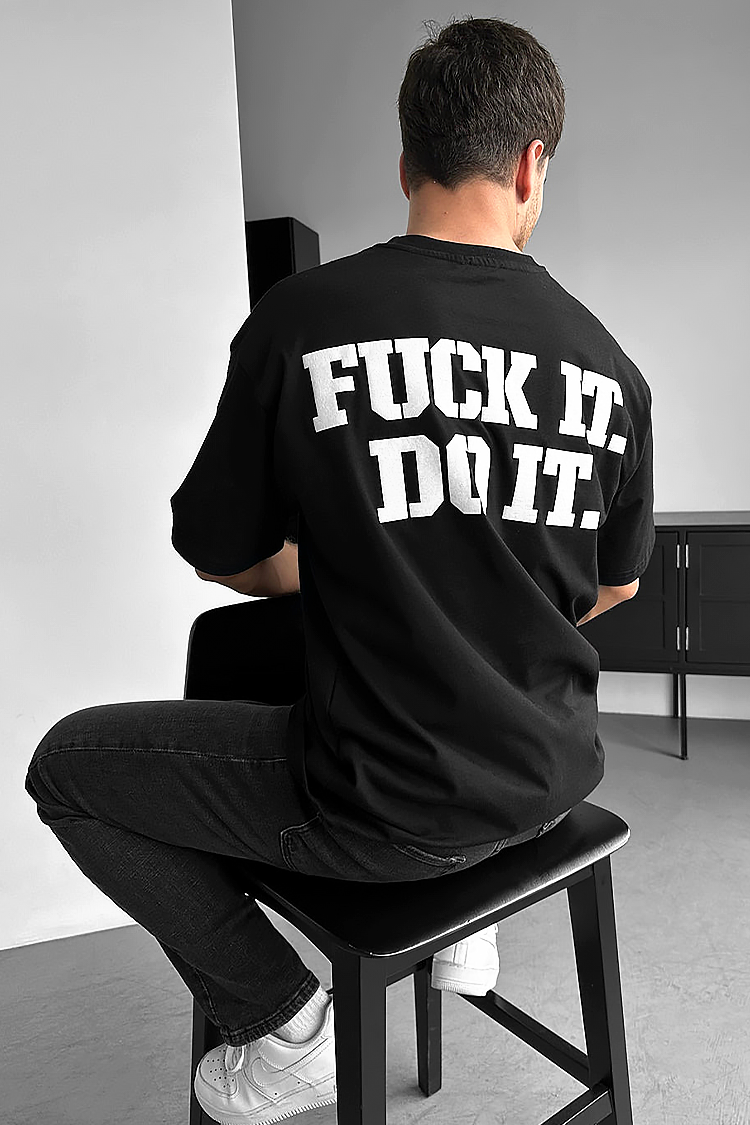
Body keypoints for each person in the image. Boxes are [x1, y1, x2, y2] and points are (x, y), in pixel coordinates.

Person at [25, 15, 655, 1125]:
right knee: (435, 680)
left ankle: (281, 1022)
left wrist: (345, 566)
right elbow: (614, 585)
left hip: (386, 810)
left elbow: (223, 553)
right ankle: (469, 927)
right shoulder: (610, 367)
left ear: (406, 162)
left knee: (67, 768)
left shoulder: (303, 320)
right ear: (531, 165)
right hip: (549, 778)